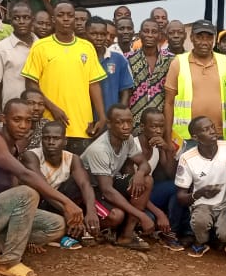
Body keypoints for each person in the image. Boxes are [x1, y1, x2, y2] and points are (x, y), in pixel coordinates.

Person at [0, 99, 80, 276]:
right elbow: (25, 174)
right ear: (3, 119)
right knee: (27, 192)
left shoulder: (14, 147)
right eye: (17, 120)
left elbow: (14, 185)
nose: (23, 126)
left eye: (28, 121)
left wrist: (24, 224)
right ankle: (9, 262)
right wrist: (67, 202)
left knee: (57, 225)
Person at [21, 1, 106, 154]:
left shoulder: (87, 47)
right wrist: (52, 108)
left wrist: (101, 116)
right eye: (61, 15)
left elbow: (94, 84)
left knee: (77, 167)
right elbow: (31, 84)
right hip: (49, 124)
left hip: (81, 125)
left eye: (70, 15)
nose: (66, 19)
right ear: (53, 20)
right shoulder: (40, 46)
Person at [21, 119, 119, 246]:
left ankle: (82, 228)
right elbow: (43, 189)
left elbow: (85, 185)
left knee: (78, 184)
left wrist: (91, 212)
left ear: (65, 141)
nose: (51, 142)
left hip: (61, 201)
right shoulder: (31, 156)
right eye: (46, 138)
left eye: (56, 138)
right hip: (40, 203)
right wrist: (68, 210)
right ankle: (76, 229)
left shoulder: (72, 158)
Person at [81, 104, 157, 250]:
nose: (126, 127)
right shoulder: (100, 149)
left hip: (109, 182)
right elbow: (107, 191)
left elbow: (144, 164)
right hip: (90, 191)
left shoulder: (128, 139)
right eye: (120, 122)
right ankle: (86, 228)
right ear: (109, 124)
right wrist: (141, 216)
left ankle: (126, 236)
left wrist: (139, 174)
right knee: (116, 216)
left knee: (147, 180)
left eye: (129, 122)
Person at [175, 116, 226, 257]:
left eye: (212, 126)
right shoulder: (187, 158)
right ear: (195, 137)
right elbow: (180, 197)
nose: (212, 131)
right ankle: (201, 242)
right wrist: (200, 193)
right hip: (202, 204)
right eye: (206, 129)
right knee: (200, 222)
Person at [164, 19, 226, 148]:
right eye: (199, 37)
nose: (204, 42)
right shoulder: (178, 63)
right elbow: (168, 103)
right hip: (187, 137)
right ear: (191, 38)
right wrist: (167, 138)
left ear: (214, 39)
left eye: (209, 37)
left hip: (220, 135)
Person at [135, 106, 182, 248]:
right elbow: (130, 189)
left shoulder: (157, 146)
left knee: (179, 186)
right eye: (154, 126)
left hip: (147, 193)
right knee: (150, 218)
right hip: (132, 196)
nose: (158, 131)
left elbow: (171, 174)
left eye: (161, 127)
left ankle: (170, 230)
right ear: (142, 126)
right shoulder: (133, 146)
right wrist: (159, 213)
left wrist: (166, 149)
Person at [0, 1, 36, 123]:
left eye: (26, 17)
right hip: (13, 116)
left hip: (40, 113)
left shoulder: (43, 46)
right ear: (10, 21)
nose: (21, 21)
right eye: (16, 18)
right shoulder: (0, 49)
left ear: (33, 20)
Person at [128, 17, 173, 120]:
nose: (150, 35)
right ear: (140, 34)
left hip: (161, 121)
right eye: (146, 31)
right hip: (135, 120)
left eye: (154, 32)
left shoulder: (171, 60)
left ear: (159, 35)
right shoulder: (128, 59)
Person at [87, 16, 133, 107]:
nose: (99, 38)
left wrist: (119, 111)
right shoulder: (80, 59)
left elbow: (126, 91)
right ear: (85, 34)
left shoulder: (118, 59)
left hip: (111, 114)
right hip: (85, 114)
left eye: (103, 34)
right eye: (94, 34)